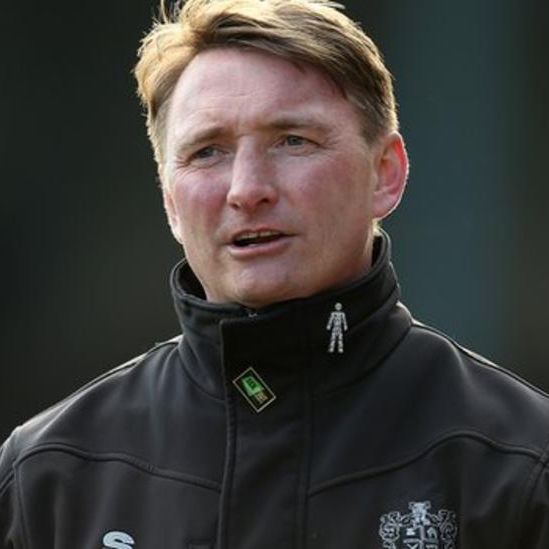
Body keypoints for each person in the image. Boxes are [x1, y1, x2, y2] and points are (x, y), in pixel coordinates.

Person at [1, 0, 549, 547]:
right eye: (207, 151)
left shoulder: (522, 462)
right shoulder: (45, 477)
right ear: (170, 202)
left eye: (293, 141)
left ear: (386, 173)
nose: (246, 189)